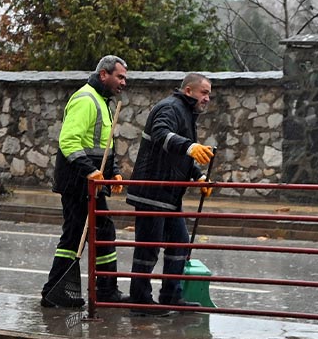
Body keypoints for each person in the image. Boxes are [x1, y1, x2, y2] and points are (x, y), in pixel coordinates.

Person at [40, 55, 129, 308]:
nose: (123, 83)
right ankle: (56, 291)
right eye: (119, 77)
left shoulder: (102, 101)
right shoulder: (86, 99)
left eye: (124, 78)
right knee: (74, 236)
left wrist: (113, 173)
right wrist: (90, 171)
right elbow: (68, 141)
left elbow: (104, 146)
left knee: (101, 232)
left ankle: (104, 288)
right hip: (78, 183)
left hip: (91, 182)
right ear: (104, 74)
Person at [125, 73, 214, 312]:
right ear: (188, 91)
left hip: (169, 194)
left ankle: (171, 296)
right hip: (152, 190)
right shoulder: (170, 108)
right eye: (204, 92)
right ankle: (140, 301)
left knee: (179, 243)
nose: (207, 98)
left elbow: (180, 154)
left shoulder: (185, 113)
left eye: (209, 94)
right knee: (148, 247)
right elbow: (162, 135)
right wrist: (190, 146)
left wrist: (198, 175)